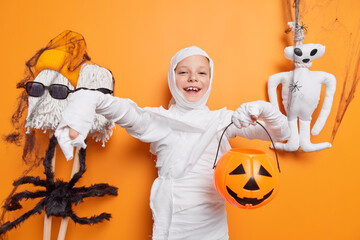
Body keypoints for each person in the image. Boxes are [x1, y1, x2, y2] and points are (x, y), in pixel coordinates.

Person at [55, 46, 290, 240]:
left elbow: (280, 133)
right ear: (172, 76)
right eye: (183, 72)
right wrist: (86, 100)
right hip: (172, 224)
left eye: (202, 73)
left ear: (210, 78)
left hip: (212, 226)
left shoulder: (223, 120)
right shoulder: (160, 120)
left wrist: (263, 108)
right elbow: (124, 110)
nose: (192, 79)